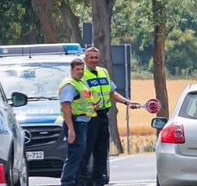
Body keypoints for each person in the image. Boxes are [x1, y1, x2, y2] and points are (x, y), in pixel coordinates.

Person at [80, 46, 144, 186]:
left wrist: (127, 102)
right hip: (89, 117)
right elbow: (79, 95)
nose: (93, 60)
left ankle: (99, 180)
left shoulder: (103, 72)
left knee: (102, 151)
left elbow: (112, 92)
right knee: (86, 151)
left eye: (96, 57)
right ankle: (84, 180)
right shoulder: (81, 73)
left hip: (103, 116)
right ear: (85, 59)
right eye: (91, 57)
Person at [59, 58, 95, 186]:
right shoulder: (70, 85)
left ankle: (76, 182)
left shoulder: (79, 83)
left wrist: (92, 106)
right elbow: (66, 107)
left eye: (82, 69)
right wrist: (71, 128)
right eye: (77, 69)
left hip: (81, 123)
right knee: (75, 156)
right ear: (71, 70)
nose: (80, 71)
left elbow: (80, 104)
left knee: (79, 155)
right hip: (75, 123)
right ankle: (67, 182)